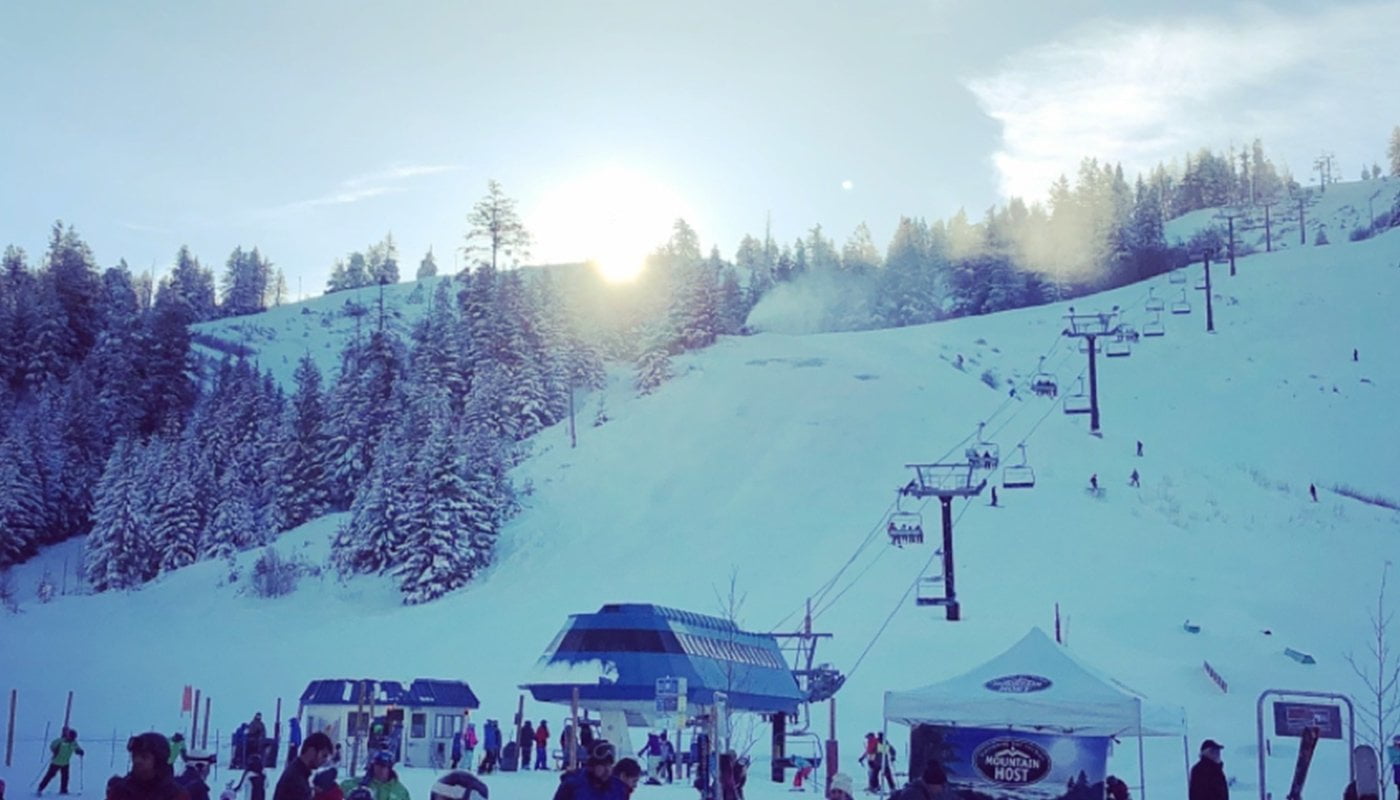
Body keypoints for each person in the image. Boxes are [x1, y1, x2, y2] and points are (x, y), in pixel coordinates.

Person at [107, 732, 187, 800]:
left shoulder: (176, 795)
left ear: (159, 761)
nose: (137, 761)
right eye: (135, 756)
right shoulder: (121, 791)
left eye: (144, 757)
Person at [553, 741, 622, 800]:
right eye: (602, 765)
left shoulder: (617, 788)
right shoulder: (572, 786)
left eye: (609, 765)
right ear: (592, 766)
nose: (607, 770)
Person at [273, 732, 334, 800]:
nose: (324, 761)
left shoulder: (297, 772)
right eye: (324, 755)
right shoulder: (296, 780)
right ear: (311, 751)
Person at [338, 751, 408, 800]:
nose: (381, 769)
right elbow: (339, 790)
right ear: (373, 766)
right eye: (378, 765)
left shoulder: (400, 790)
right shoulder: (360, 783)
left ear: (390, 768)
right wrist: (353, 793)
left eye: (384, 766)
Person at [39, 726, 84, 795]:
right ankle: (40, 788)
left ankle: (63, 790)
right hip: (56, 762)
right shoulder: (60, 741)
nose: (72, 739)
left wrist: (80, 751)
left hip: (65, 763)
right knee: (49, 776)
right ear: (68, 736)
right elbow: (52, 745)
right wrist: (54, 750)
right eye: (71, 737)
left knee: (65, 777)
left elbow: (76, 748)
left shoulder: (73, 742)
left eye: (73, 738)